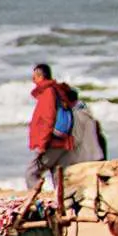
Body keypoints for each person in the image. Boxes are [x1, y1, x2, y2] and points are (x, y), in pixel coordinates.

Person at [26, 62, 81, 192]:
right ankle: (65, 206)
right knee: (59, 177)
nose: (33, 79)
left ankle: (35, 204)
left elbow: (47, 120)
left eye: (35, 76)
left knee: (31, 173)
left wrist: (42, 145)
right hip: (62, 142)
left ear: (41, 76)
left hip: (52, 143)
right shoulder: (57, 90)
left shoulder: (48, 92)